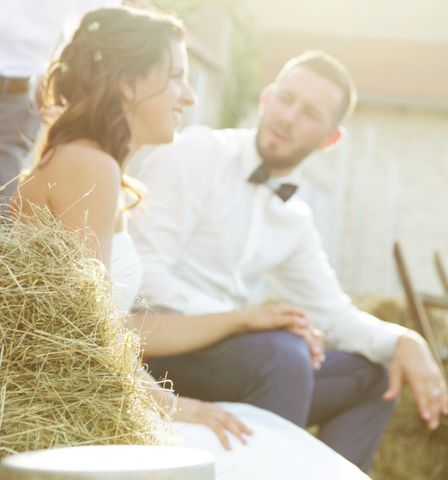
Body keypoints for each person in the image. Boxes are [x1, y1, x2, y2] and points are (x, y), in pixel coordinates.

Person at [12, 7, 369, 479]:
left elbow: (114, 325)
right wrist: (175, 405)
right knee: (258, 450)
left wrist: (244, 322)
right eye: (177, 77)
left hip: (99, 388)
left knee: (268, 439)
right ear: (129, 84)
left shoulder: (98, 169)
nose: (190, 95)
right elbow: (82, 347)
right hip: (61, 409)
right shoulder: (89, 166)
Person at [129, 50, 448, 472]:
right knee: (284, 352)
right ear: (266, 99)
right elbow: (141, 274)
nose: (287, 117)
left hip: (241, 362)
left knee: (373, 376)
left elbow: (335, 314)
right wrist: (241, 319)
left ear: (329, 139)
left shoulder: (295, 220)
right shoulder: (198, 153)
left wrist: (406, 341)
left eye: (309, 113)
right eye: (285, 99)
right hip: (160, 350)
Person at [0, 0, 119, 201]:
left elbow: (102, 24)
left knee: (4, 196)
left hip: (19, 96)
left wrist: (56, 74)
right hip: (21, 93)